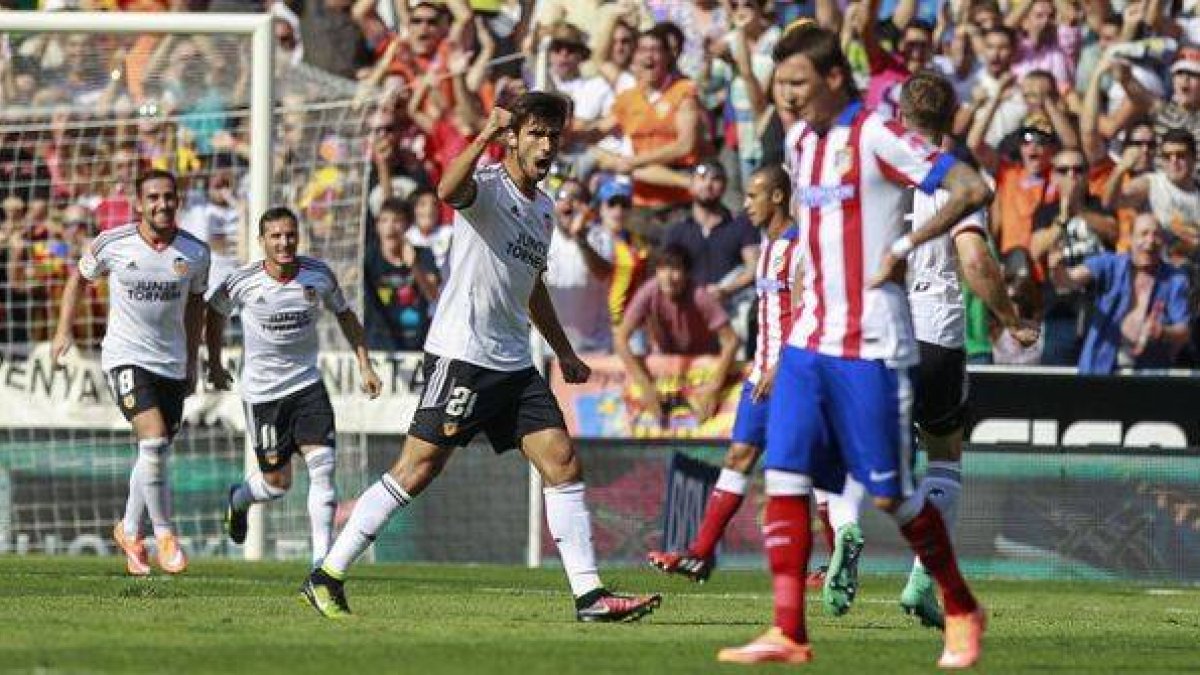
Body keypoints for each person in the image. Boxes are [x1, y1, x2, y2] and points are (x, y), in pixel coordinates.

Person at [300, 92, 662, 622]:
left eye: (553, 136)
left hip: (515, 361)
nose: (547, 144)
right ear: (513, 136)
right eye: (536, 132)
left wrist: (563, 352)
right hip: (464, 354)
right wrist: (487, 133)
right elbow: (447, 188)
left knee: (562, 462)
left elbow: (533, 287)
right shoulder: (488, 186)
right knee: (417, 469)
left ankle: (590, 597)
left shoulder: (542, 210)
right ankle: (326, 574)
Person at [716, 26, 990, 668]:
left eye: (798, 85)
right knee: (784, 478)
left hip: (872, 343)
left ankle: (959, 604)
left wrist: (899, 248)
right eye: (781, 85)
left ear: (835, 79)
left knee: (893, 493)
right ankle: (788, 631)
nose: (786, 97)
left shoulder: (877, 134)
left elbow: (973, 188)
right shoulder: (798, 140)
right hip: (810, 340)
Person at [814, 72, 1040, 628]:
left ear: (899, 112)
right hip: (936, 333)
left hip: (871, 328)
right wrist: (1009, 320)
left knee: (843, 445)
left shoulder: (872, 171)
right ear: (954, 116)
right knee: (943, 454)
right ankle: (923, 577)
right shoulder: (957, 179)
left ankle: (844, 527)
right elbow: (975, 260)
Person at [50, 169, 210, 577]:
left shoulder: (195, 253)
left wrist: (193, 359)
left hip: (171, 361)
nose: (162, 204)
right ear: (139, 203)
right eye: (153, 197)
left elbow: (196, 306)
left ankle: (128, 528)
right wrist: (64, 329)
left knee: (152, 451)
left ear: (179, 200)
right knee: (154, 438)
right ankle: (165, 535)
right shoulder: (113, 243)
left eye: (169, 196)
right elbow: (78, 280)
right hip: (125, 357)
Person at [205, 207, 383, 568]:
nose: (284, 242)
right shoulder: (243, 281)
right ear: (262, 241)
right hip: (263, 395)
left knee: (323, 466)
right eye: (276, 236)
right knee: (276, 483)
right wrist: (215, 362)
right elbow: (214, 311)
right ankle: (239, 500)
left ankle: (321, 563)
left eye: (290, 235)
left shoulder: (317, 275)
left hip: (307, 386)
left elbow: (346, 315)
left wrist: (364, 364)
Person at [645, 163, 798, 581]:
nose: (745, 204)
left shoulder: (797, 248)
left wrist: (781, 366)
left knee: (800, 470)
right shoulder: (766, 248)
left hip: (790, 376)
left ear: (778, 197)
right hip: (760, 373)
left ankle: (841, 554)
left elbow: (807, 314)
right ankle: (698, 552)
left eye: (753, 195)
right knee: (738, 456)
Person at [614, 244, 741, 425]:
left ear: (686, 273)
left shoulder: (700, 296)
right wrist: (644, 384)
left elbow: (732, 341)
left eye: (675, 269)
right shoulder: (649, 292)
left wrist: (714, 386)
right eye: (663, 268)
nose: (668, 277)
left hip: (702, 369)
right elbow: (620, 339)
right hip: (664, 367)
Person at [1050, 213, 1191, 374]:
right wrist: (1057, 268)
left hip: (1148, 379)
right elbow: (1068, 280)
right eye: (1144, 234)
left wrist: (1163, 331)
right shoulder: (1110, 264)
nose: (1150, 241)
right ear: (1130, 239)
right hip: (1099, 371)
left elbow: (1184, 331)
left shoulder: (1175, 280)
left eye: (1156, 235)